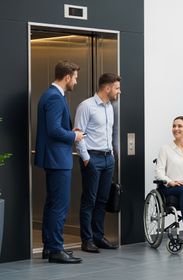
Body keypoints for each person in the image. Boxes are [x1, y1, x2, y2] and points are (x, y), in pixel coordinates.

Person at [35, 60, 84, 264]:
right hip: (57, 159)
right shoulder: (55, 97)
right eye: (75, 78)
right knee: (59, 206)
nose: (76, 81)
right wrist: (74, 137)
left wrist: (69, 132)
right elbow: (54, 130)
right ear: (67, 77)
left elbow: (55, 127)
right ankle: (55, 249)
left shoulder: (52, 95)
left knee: (52, 204)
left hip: (55, 158)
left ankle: (50, 246)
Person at [74, 73, 121, 253]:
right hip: (92, 158)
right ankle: (86, 240)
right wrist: (86, 158)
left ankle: (98, 237)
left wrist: (113, 157)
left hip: (108, 158)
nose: (119, 91)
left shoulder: (110, 107)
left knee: (102, 200)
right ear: (107, 88)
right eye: (116, 88)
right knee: (89, 200)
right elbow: (79, 135)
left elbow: (110, 134)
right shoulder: (86, 106)